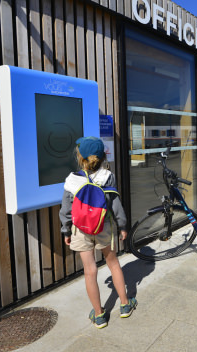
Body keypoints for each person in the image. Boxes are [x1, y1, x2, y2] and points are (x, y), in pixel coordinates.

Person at [59, 136, 136, 329]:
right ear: (102, 157)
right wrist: (123, 226)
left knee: (90, 271)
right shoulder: (107, 177)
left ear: (80, 157)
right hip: (103, 226)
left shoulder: (71, 180)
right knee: (113, 264)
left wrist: (66, 230)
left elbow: (66, 209)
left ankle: (99, 315)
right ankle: (125, 305)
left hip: (80, 230)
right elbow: (115, 205)